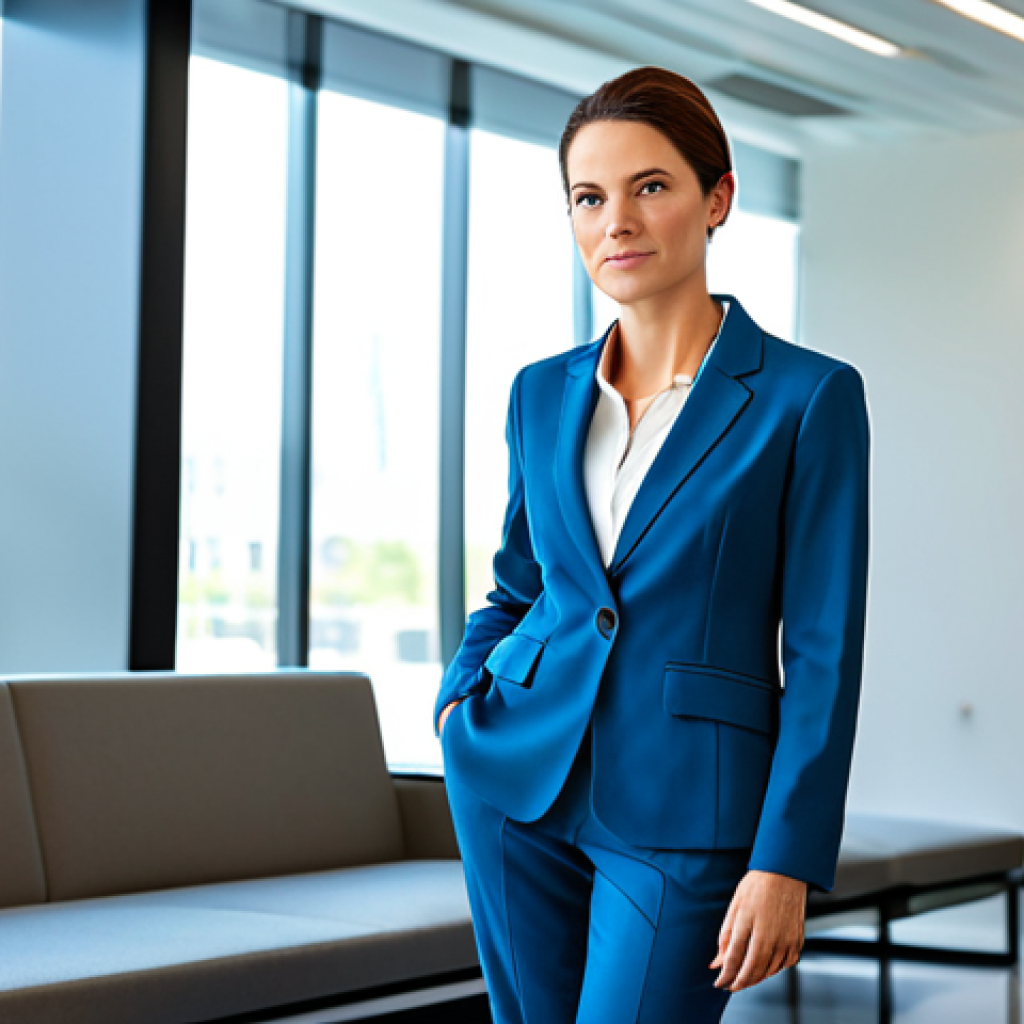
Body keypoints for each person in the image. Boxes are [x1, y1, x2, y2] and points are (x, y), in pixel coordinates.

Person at [433, 65, 870, 1024]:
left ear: (717, 200)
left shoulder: (807, 398)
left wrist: (785, 856)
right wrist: (460, 704)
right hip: (515, 779)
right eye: (589, 197)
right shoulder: (539, 392)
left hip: (686, 801)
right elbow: (521, 584)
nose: (615, 222)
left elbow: (825, 650)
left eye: (651, 187)